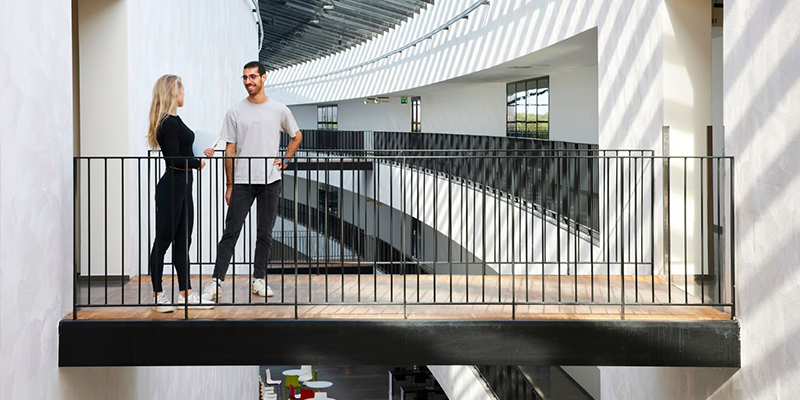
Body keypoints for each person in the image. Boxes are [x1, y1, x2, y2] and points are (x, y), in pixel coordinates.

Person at [202, 61, 303, 302]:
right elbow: (229, 150)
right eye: (245, 77)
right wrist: (229, 185)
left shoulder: (279, 110)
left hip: (270, 180)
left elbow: (297, 136)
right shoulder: (235, 112)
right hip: (242, 182)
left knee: (264, 233)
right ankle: (216, 282)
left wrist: (286, 159)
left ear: (264, 78)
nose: (248, 81)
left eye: (253, 77)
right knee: (231, 232)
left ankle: (259, 280)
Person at [147, 74, 215, 312]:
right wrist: (196, 163)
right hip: (171, 189)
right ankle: (158, 295)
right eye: (181, 87)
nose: (184, 91)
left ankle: (186, 294)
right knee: (164, 240)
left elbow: (183, 150)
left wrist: (199, 153)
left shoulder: (177, 120)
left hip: (184, 187)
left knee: (183, 241)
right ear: (172, 92)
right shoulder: (167, 122)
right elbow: (174, 158)